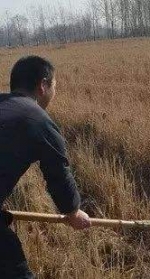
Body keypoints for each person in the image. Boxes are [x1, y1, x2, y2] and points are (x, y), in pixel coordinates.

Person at [0, 56, 91, 278]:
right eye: (54, 85)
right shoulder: (37, 120)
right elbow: (58, 174)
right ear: (42, 85)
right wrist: (72, 211)